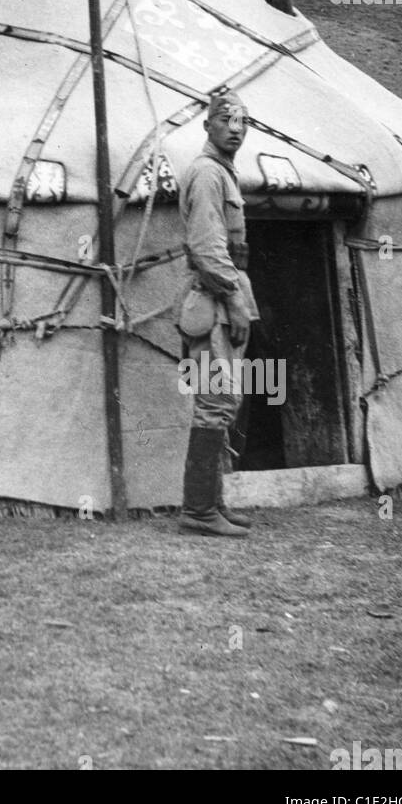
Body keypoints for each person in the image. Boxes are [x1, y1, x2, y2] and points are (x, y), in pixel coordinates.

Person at [176, 86, 260, 538]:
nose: (236, 129)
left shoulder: (224, 173)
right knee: (214, 401)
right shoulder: (208, 174)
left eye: (243, 121)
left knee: (223, 401)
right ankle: (199, 510)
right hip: (215, 303)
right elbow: (208, 250)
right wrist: (235, 300)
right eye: (227, 120)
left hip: (224, 302)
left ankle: (213, 504)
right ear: (207, 124)